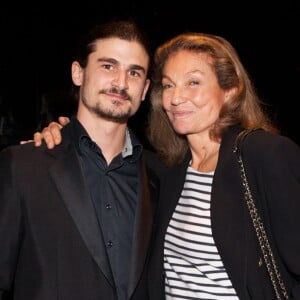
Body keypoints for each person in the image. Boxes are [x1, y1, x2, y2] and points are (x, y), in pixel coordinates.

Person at [35, 32, 300, 299]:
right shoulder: (167, 170)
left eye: (193, 82)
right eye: (169, 85)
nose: (176, 98)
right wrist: (63, 137)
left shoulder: (264, 155)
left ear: (230, 90)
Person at [0, 19, 162, 300]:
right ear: (78, 73)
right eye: (108, 66)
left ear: (145, 89)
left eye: (134, 73)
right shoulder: (23, 167)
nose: (121, 83)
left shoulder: (162, 175)